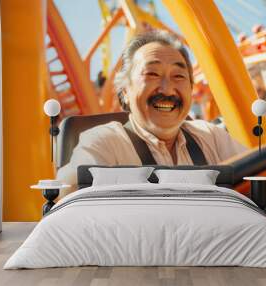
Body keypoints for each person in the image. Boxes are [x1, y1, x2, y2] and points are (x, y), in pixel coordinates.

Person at [56, 30, 247, 196]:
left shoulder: (210, 136)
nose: (168, 90)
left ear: (190, 88)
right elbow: (67, 201)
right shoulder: (104, 143)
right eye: (152, 74)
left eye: (178, 76)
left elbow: (261, 178)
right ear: (125, 91)